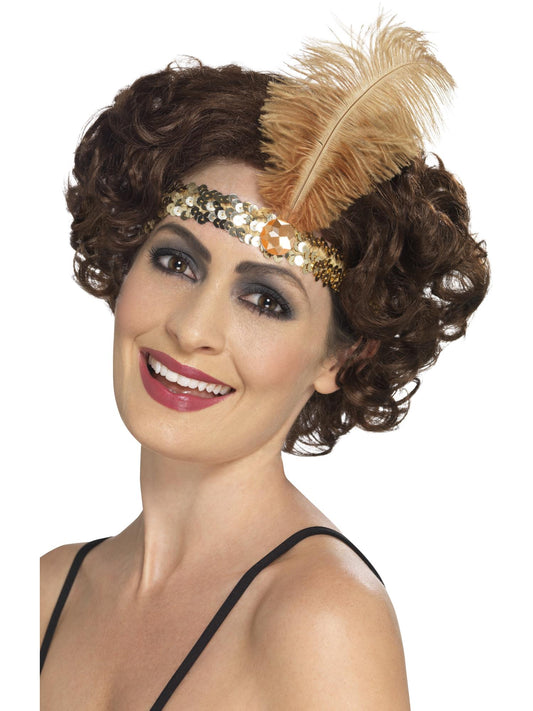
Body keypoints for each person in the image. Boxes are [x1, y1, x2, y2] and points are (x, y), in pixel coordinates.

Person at [40, 17, 488, 710]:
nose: (192, 328)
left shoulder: (320, 621)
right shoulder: (44, 593)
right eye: (176, 261)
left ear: (342, 356)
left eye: (265, 300)